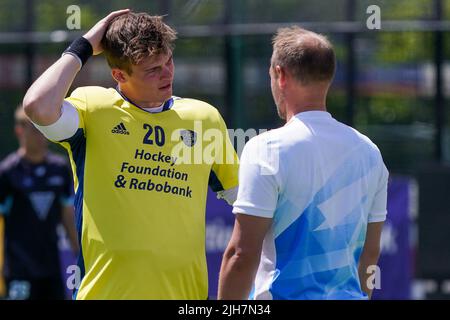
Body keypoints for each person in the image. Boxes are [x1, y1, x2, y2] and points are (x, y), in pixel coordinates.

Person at [22, 10, 239, 300]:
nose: (167, 73)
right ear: (119, 75)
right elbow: (38, 106)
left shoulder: (204, 117)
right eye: (153, 70)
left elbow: (248, 205)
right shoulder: (93, 108)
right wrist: (84, 45)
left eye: (169, 61)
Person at [218, 26, 389, 300]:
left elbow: (241, 254)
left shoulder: (266, 149)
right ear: (328, 77)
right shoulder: (369, 152)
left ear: (280, 74)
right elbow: (370, 252)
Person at [0, 106, 79, 300]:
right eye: (34, 128)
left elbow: (67, 215)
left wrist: (78, 253)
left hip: (52, 269)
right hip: (19, 269)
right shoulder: (8, 172)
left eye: (43, 128)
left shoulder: (59, 169)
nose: (40, 134)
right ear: (20, 130)